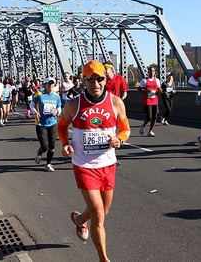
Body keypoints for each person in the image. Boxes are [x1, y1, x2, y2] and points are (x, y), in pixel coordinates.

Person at [57, 60, 130, 262]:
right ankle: (103, 259)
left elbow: (126, 129)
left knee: (103, 211)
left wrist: (119, 139)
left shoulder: (116, 103)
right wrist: (64, 144)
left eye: (99, 79)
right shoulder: (74, 104)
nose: (95, 84)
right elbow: (61, 126)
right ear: (84, 81)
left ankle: (79, 219)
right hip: (84, 165)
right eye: (91, 80)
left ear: (105, 80)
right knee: (98, 214)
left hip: (107, 164)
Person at [30, 77, 62, 172]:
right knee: (44, 146)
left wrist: (57, 111)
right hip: (41, 124)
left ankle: (48, 164)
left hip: (52, 123)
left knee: (52, 146)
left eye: (52, 84)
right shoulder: (39, 95)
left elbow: (59, 107)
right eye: (49, 84)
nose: (51, 85)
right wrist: (35, 112)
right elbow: (31, 104)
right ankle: (40, 152)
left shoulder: (56, 96)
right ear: (45, 85)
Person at [138, 66, 162, 137]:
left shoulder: (157, 80)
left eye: (153, 71)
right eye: (150, 71)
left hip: (155, 100)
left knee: (155, 117)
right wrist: (146, 91)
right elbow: (139, 90)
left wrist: (160, 91)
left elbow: (158, 90)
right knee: (149, 117)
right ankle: (143, 125)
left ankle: (150, 131)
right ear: (148, 72)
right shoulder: (144, 81)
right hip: (147, 101)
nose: (152, 72)